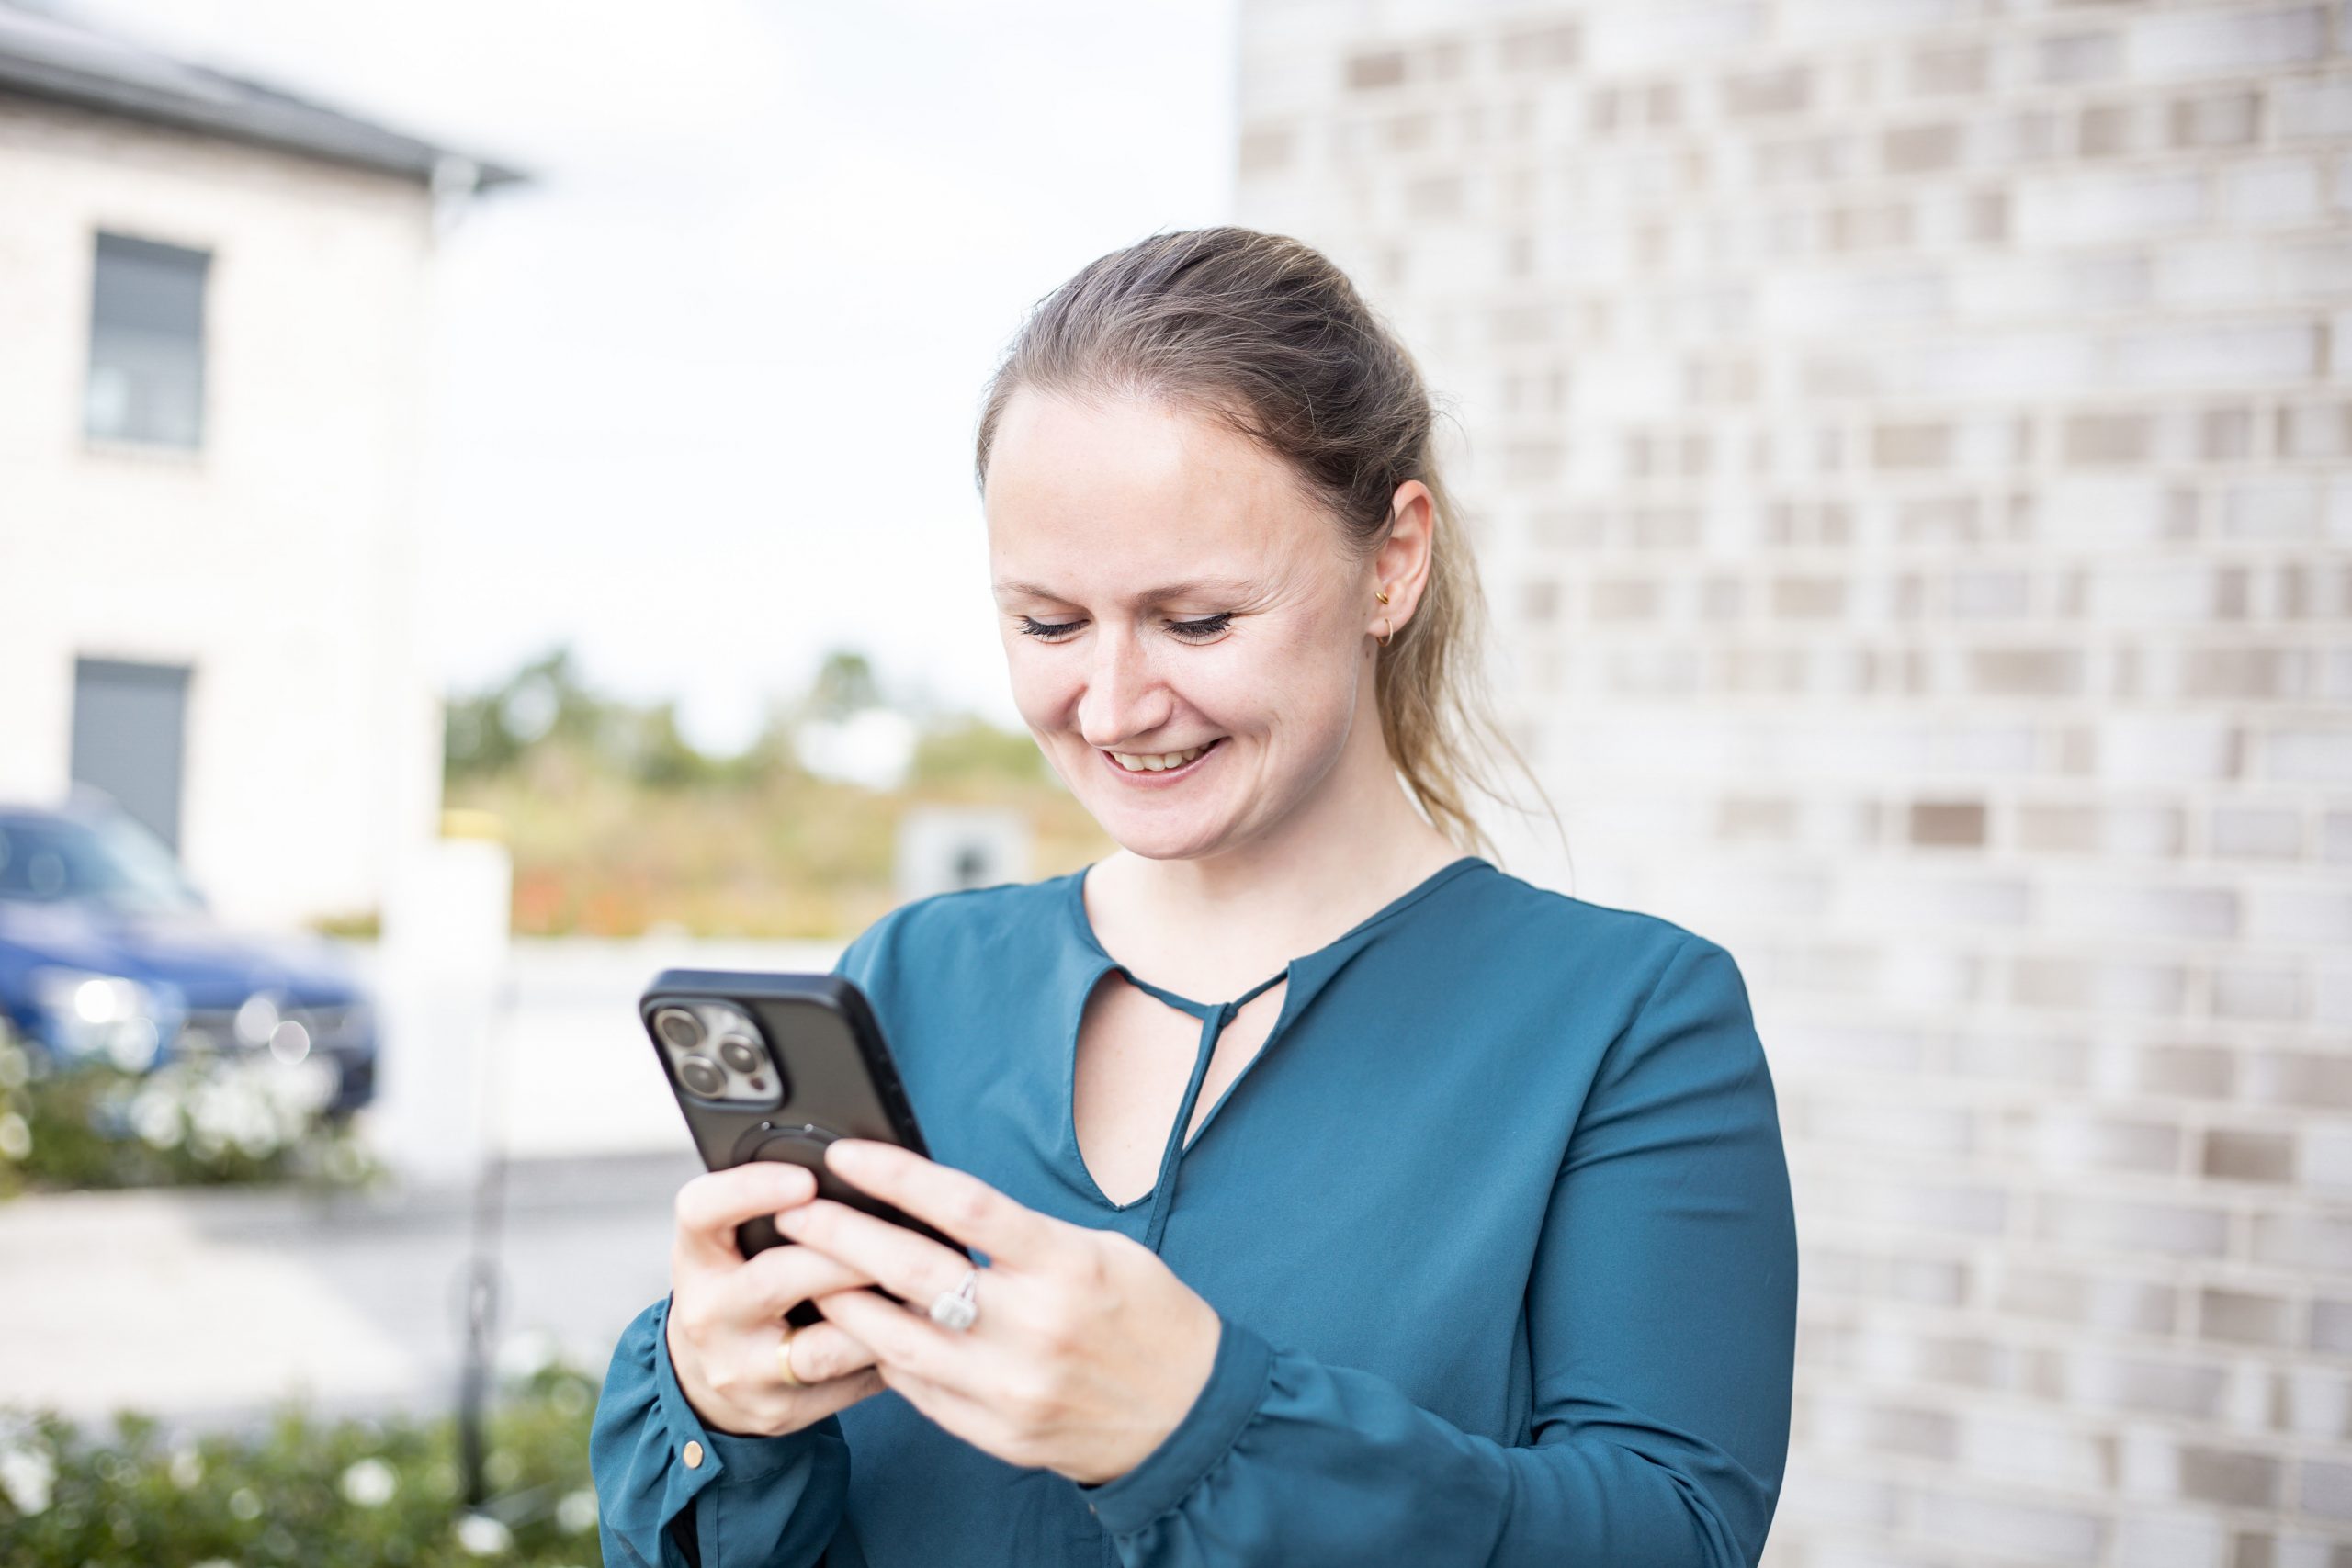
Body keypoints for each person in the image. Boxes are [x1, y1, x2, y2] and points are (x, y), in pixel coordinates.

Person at [591, 226, 1798, 1568]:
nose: (1112, 707)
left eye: (1200, 621)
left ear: (1392, 560)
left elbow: (1672, 1539)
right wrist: (724, 1410)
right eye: (1048, 624)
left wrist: (1200, 1428)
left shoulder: (1626, 1025)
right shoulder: (913, 977)